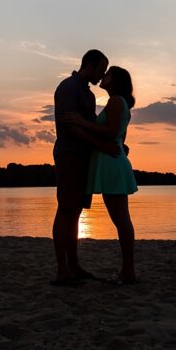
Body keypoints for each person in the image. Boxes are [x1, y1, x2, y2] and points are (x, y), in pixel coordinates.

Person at [63, 65, 138, 285]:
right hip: (110, 161)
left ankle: (128, 272)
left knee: (121, 220)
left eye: (108, 74)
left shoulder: (116, 101)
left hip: (111, 164)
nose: (103, 76)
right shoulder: (118, 103)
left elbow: (112, 132)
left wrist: (80, 121)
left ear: (115, 80)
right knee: (122, 219)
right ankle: (128, 271)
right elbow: (120, 138)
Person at [51, 49, 118, 286]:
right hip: (70, 155)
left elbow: (88, 126)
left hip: (84, 158)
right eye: (101, 69)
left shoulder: (89, 96)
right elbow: (71, 128)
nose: (102, 75)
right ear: (89, 64)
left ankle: (74, 265)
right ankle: (62, 269)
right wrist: (102, 144)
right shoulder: (68, 87)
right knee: (66, 209)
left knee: (75, 212)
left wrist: (112, 142)